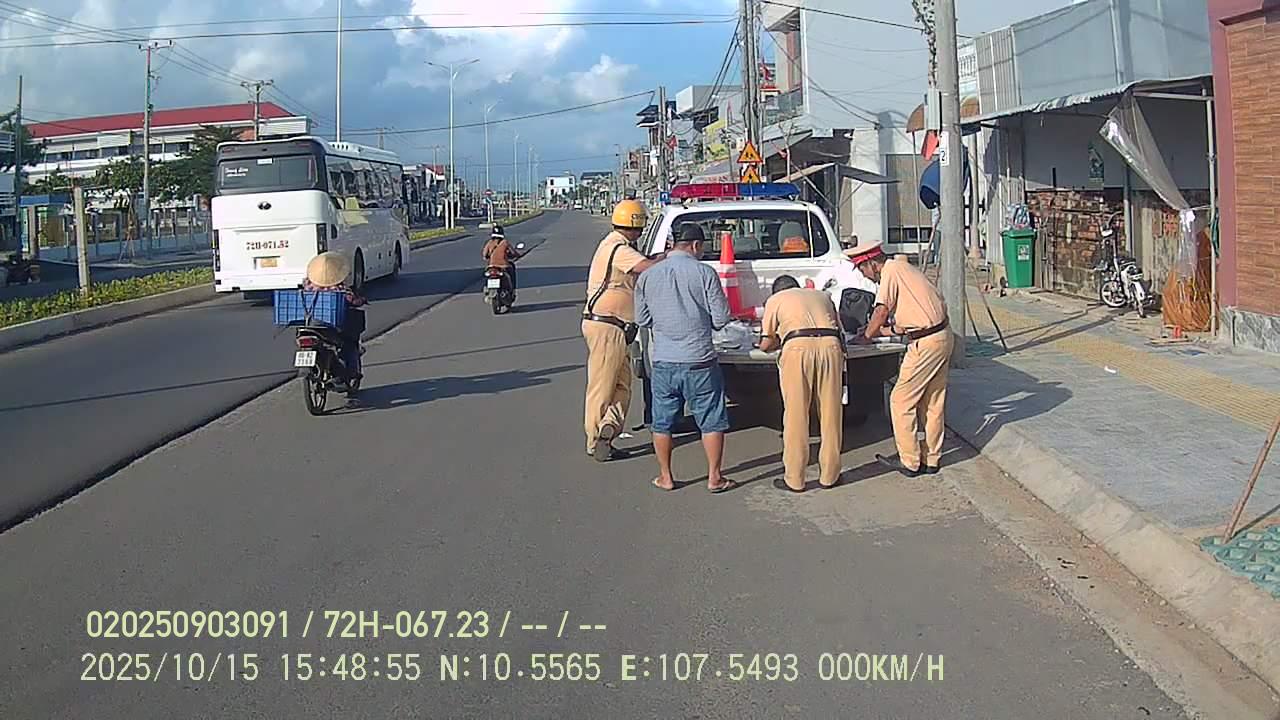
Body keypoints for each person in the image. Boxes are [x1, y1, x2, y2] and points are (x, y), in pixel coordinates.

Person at [635, 224, 736, 493]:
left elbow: (642, 319)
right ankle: (714, 477)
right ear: (695, 245)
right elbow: (721, 319)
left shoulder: (647, 276)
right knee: (711, 420)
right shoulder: (705, 273)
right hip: (700, 360)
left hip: (664, 361)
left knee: (662, 422)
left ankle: (665, 476)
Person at [849, 239, 952, 477]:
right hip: (941, 335)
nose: (864, 276)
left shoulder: (890, 272)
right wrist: (883, 331)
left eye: (862, 269)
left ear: (872, 263)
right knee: (933, 401)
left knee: (900, 400)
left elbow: (881, 311)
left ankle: (910, 460)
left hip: (925, 343)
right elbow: (911, 318)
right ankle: (931, 458)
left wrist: (866, 336)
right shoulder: (904, 269)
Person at [582, 199, 664, 462]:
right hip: (607, 326)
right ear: (635, 225)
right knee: (602, 385)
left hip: (616, 327)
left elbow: (645, 263)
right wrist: (672, 257)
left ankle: (609, 426)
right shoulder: (617, 247)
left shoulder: (618, 246)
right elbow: (647, 267)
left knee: (622, 385)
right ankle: (595, 440)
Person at [758, 274, 845, 492]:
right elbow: (839, 328)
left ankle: (795, 478)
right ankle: (830, 475)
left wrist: (776, 340)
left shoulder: (775, 300)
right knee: (831, 412)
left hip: (798, 350)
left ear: (777, 290)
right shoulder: (823, 296)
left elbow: (766, 344)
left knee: (796, 414)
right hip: (831, 348)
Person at [303, 251, 367, 385]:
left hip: (310, 325)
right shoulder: (339, 289)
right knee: (349, 343)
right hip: (332, 326)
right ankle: (351, 372)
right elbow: (352, 300)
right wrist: (361, 300)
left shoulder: (307, 286)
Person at [482, 225, 520, 294]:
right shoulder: (505, 242)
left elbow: (484, 254)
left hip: (491, 266)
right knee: (512, 272)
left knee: (486, 274)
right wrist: (517, 255)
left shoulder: (489, 243)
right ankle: (513, 290)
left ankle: (486, 287)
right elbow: (513, 252)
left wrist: (488, 257)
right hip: (504, 266)